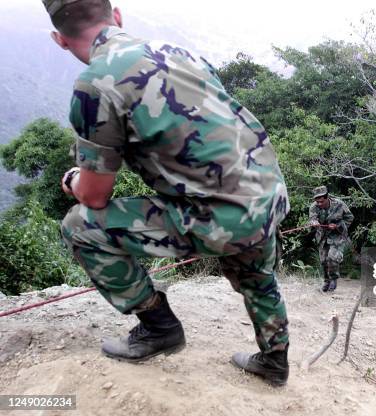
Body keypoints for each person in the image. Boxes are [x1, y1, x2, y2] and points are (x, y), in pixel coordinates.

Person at [42, 0, 290, 386]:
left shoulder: (96, 83)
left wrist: (73, 178)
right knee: (257, 275)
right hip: (266, 196)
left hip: (219, 215)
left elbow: (93, 197)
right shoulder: (179, 51)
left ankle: (159, 328)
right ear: (117, 16)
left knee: (80, 226)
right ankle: (274, 362)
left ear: (59, 40)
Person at [308, 186, 354, 292]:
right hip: (322, 236)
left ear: (327, 197)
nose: (319, 204)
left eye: (321, 201)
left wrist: (338, 226)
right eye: (317, 201)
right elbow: (312, 218)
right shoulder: (313, 207)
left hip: (337, 236)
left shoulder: (339, 204)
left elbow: (350, 218)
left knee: (332, 258)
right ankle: (326, 281)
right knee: (323, 261)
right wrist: (313, 222)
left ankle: (333, 279)